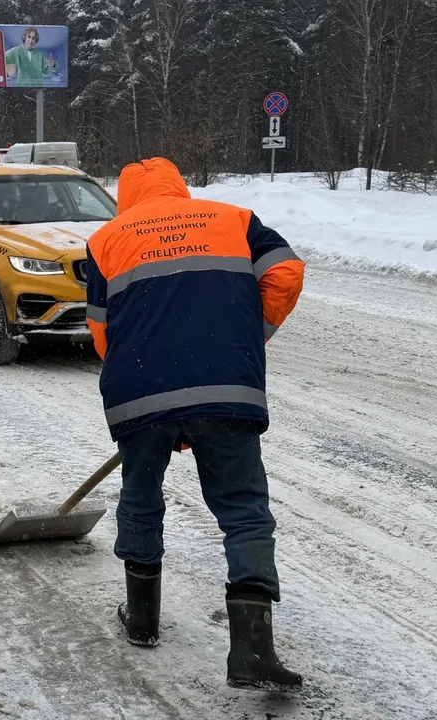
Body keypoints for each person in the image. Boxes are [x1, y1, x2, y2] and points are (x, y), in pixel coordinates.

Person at [85, 158, 305, 692]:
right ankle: (252, 650)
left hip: (140, 388)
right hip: (225, 383)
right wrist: (251, 333)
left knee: (140, 496)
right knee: (243, 509)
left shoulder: (106, 239)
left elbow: (101, 328)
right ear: (179, 188)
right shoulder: (235, 219)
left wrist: (144, 379)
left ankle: (141, 620)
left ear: (126, 197)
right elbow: (286, 273)